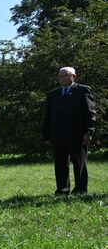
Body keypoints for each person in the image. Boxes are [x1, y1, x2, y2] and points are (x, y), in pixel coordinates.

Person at [43, 67, 96, 195]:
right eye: (60, 76)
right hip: (58, 136)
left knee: (80, 164)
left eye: (66, 76)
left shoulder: (83, 90)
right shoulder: (52, 94)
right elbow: (48, 117)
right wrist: (46, 135)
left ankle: (80, 190)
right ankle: (62, 189)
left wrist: (89, 132)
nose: (62, 78)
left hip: (78, 135)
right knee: (60, 165)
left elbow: (90, 113)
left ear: (74, 76)